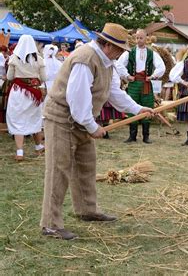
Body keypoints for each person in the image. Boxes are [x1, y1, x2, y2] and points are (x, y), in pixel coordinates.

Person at [40, 23, 154, 240]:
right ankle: (51, 224)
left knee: (86, 165)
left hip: (81, 120)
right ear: (108, 45)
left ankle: (86, 209)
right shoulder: (85, 59)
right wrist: (92, 127)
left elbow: (113, 93)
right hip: (61, 119)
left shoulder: (107, 62)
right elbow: (77, 99)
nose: (122, 53)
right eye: (120, 49)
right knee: (58, 169)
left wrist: (138, 109)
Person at [116, 29, 165, 144]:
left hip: (146, 84)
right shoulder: (129, 52)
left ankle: (146, 136)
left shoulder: (152, 53)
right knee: (132, 106)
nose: (139, 40)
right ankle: (132, 136)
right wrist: (127, 76)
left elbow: (161, 67)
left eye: (141, 38)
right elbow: (118, 65)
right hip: (134, 83)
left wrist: (153, 76)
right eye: (137, 38)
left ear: (146, 38)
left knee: (147, 106)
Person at [6, 35, 46, 161]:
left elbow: (9, 77)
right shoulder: (39, 59)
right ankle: (38, 146)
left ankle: (20, 152)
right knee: (35, 118)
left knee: (17, 119)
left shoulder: (14, 59)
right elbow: (44, 78)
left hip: (19, 92)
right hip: (34, 93)